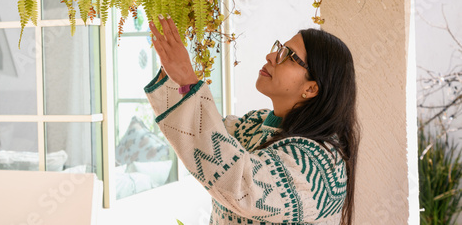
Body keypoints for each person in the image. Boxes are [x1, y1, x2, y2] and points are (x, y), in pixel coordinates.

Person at [145, 14, 360, 225]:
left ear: (311, 88)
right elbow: (200, 137)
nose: (271, 56)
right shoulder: (254, 123)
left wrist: (189, 81)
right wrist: (172, 71)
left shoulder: (320, 166)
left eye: (288, 55)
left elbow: (239, 184)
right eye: (279, 48)